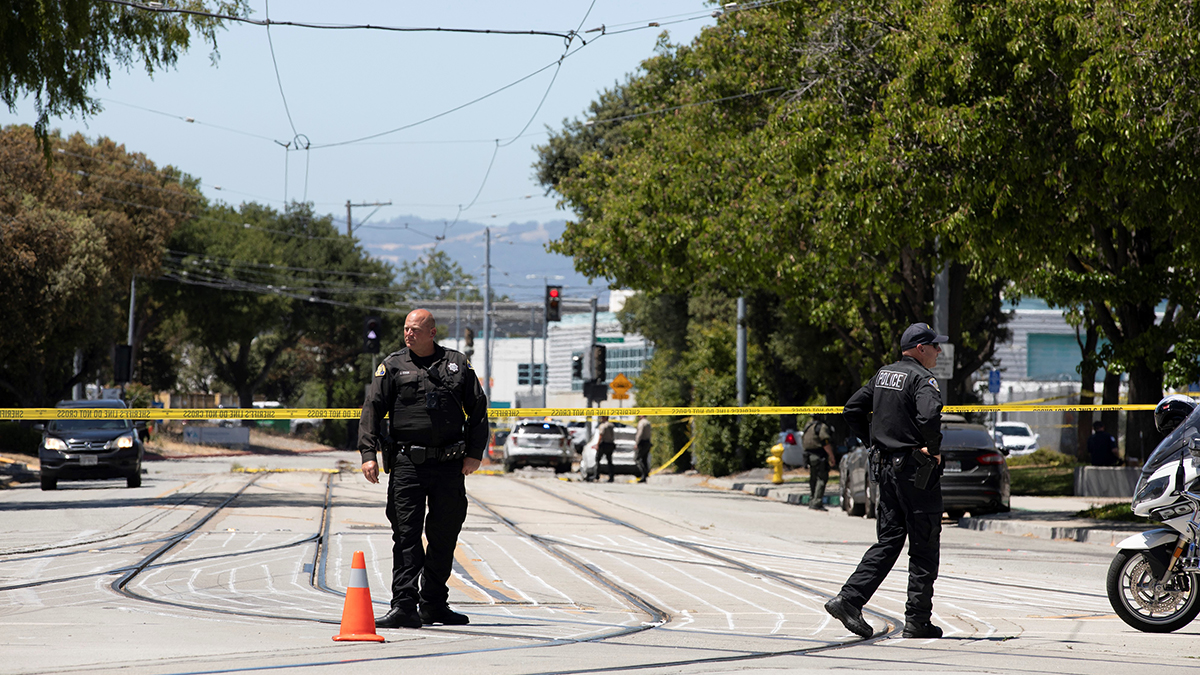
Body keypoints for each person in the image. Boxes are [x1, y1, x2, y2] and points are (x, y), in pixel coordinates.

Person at [358, 308, 488, 629]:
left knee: (444, 535)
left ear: (432, 332)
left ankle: (433, 603)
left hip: (449, 466)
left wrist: (474, 453)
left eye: (415, 329)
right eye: (406, 329)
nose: (408, 334)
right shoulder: (392, 366)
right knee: (406, 536)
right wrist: (367, 453)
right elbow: (372, 409)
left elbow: (478, 410)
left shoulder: (456, 365)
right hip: (407, 466)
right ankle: (404, 604)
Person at [825, 322, 947, 640]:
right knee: (924, 542)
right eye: (935, 346)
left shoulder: (884, 374)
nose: (939, 351)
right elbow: (930, 415)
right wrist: (932, 450)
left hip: (886, 472)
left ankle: (849, 600)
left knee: (889, 540)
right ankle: (918, 620)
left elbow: (852, 408)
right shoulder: (922, 378)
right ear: (920, 348)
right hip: (915, 473)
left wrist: (874, 441)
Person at [802, 415, 836, 510]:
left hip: (809, 456)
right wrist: (831, 456)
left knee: (813, 479)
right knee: (821, 478)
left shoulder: (808, 426)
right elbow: (825, 443)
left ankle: (812, 500)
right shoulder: (822, 427)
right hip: (819, 456)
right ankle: (817, 502)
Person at [594, 416, 616, 482]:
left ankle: (597, 476)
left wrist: (597, 445)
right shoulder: (611, 425)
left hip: (604, 444)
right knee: (609, 461)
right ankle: (611, 476)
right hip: (610, 444)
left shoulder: (603, 426)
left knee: (597, 459)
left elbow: (601, 435)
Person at [635, 415, 652, 483]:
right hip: (647, 442)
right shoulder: (648, 423)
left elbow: (640, 433)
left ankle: (644, 473)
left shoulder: (641, 423)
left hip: (642, 443)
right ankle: (645, 475)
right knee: (644, 459)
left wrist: (637, 443)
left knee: (637, 458)